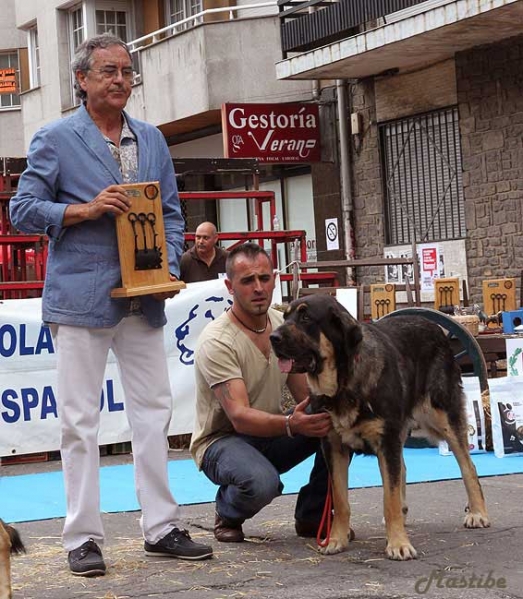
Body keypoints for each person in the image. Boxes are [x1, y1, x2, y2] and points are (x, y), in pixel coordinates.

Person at [9, 34, 213, 577]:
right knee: (79, 421)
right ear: (82, 79)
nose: (121, 80)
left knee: (155, 413)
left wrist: (169, 264)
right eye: (108, 71)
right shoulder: (54, 138)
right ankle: (81, 537)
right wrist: (83, 211)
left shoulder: (151, 139)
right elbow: (22, 211)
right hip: (80, 298)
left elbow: (171, 212)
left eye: (127, 71)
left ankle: (162, 527)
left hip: (144, 299)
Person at [190, 242, 332, 543]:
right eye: (247, 281)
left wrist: (334, 410)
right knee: (260, 483)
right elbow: (239, 417)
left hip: (272, 430)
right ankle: (227, 511)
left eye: (264, 279)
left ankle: (313, 516)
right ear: (229, 286)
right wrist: (292, 424)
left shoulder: (283, 326)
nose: (258, 288)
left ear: (275, 280)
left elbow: (302, 391)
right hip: (222, 441)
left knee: (334, 423)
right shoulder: (217, 341)